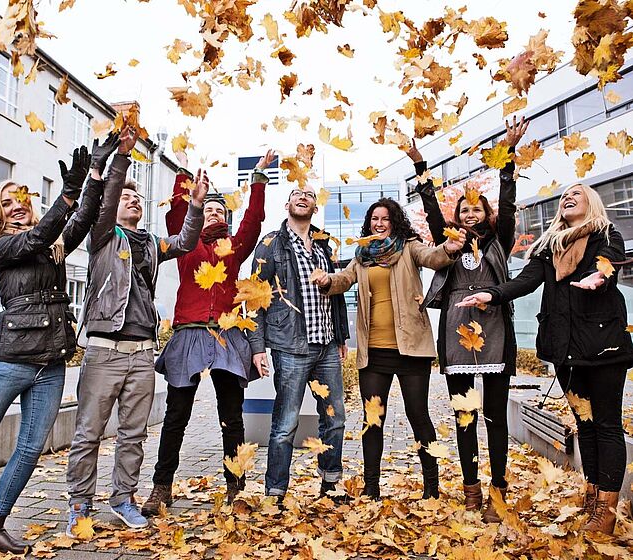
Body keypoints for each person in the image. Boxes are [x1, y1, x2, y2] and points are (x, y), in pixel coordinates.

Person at [0, 136, 118, 553]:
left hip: (50, 364)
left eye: (21, 197)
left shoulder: (53, 245)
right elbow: (36, 238)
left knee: (30, 447)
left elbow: (81, 220)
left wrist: (93, 177)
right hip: (9, 361)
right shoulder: (1, 247)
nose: (17, 204)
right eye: (7, 201)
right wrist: (69, 194)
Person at [458, 183, 633, 535]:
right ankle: (593, 494)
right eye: (565, 195)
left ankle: (607, 511)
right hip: (566, 350)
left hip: (603, 346)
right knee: (585, 425)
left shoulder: (605, 234)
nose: (569, 197)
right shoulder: (550, 247)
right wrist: (490, 294)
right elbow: (524, 282)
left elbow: (611, 262)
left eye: (577, 194)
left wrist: (599, 276)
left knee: (607, 424)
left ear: (591, 203)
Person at [65, 129, 208, 536]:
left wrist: (194, 205)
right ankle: (80, 503)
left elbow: (184, 240)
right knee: (89, 432)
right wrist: (122, 162)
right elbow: (106, 203)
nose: (134, 202)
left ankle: (123, 498)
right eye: (128, 198)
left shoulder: (148, 243)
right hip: (104, 349)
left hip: (142, 351)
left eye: (138, 200)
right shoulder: (103, 236)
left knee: (133, 433)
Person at [141, 149, 275, 515]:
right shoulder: (185, 246)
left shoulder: (234, 248)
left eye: (220, 211)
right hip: (188, 333)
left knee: (232, 415)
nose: (214, 213)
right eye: (209, 209)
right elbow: (176, 214)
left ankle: (236, 487)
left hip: (228, 335)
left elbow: (253, 221)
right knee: (176, 415)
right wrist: (185, 179)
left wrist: (258, 178)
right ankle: (161, 487)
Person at [410, 117, 528, 522]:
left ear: (486, 213)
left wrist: (508, 156)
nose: (471, 213)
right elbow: (430, 209)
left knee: (494, 415)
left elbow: (509, 203)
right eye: (465, 209)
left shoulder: (501, 239)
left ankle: (498, 488)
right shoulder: (452, 241)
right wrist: (420, 165)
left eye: (477, 208)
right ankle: (471, 488)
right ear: (457, 216)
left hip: (495, 327)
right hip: (456, 331)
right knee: (465, 415)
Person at [312, 199, 464, 500]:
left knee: (418, 416)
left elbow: (433, 257)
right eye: (374, 218)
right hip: (374, 351)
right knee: (372, 420)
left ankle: (431, 488)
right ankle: (371, 488)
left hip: (411, 348)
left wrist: (447, 248)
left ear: (394, 221)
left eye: (385, 218)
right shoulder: (363, 256)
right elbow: (344, 279)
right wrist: (328, 279)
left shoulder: (409, 247)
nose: (379, 223)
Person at [248, 184, 350, 502]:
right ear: (288, 204)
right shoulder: (270, 244)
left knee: (335, 418)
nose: (302, 197)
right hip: (290, 346)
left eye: (308, 195)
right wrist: (257, 346)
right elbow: (254, 297)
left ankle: (331, 484)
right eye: (296, 194)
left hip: (327, 345)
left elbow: (338, 291)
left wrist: (342, 336)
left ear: (315, 207)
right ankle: (275, 492)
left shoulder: (324, 244)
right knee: (285, 423)